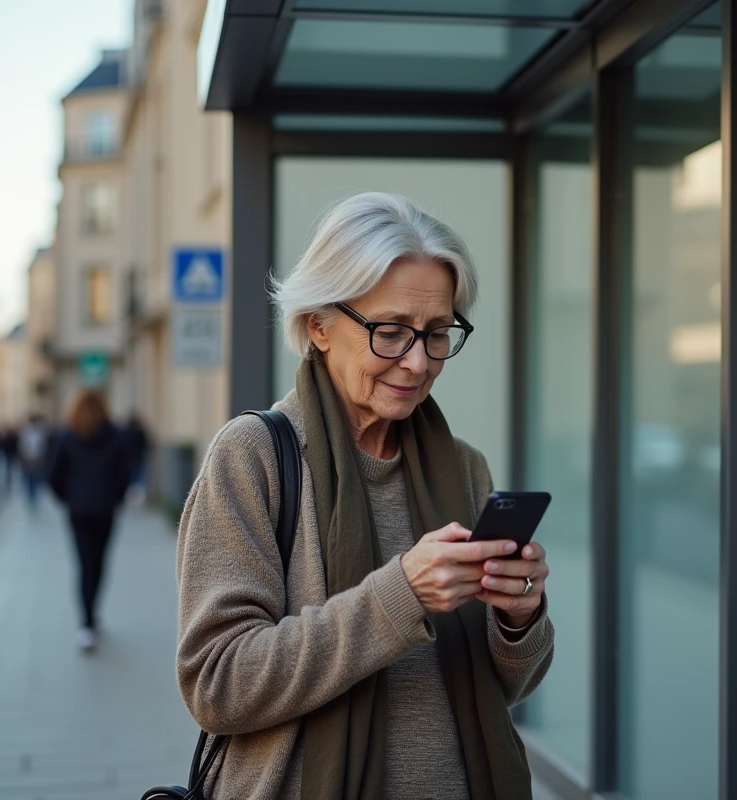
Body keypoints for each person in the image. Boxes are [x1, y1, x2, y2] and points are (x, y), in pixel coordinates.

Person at [177, 192, 555, 799]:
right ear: (318, 325)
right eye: (390, 331)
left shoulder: (464, 469)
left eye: (437, 333)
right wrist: (400, 595)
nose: (417, 362)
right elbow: (217, 684)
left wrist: (519, 614)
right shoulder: (253, 457)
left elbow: (507, 688)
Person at [47, 390, 132, 651]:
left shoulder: (67, 437)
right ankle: (92, 616)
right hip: (105, 509)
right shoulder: (115, 436)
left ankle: (86, 623)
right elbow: (124, 474)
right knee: (99, 562)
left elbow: (52, 475)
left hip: (78, 511)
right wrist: (115, 498)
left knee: (84, 564)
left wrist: (69, 499)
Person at [18, 415, 49, 510]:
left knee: (35, 480)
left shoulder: (40, 432)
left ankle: (34, 497)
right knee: (29, 480)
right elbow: (22, 447)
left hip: (37, 460)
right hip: (28, 460)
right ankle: (31, 498)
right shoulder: (26, 432)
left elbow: (43, 447)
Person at [121, 413, 150, 505]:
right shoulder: (140, 432)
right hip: (139, 457)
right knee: (140, 477)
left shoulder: (125, 433)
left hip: (129, 458)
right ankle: (138, 496)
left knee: (132, 477)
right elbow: (145, 445)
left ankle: (132, 495)